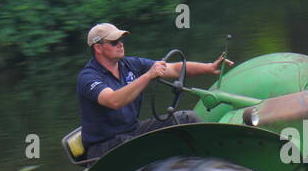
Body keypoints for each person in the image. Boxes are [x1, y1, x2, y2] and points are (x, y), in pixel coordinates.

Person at [76, 23, 232, 160]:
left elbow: (173, 68)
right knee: (139, 147)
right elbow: (113, 100)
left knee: (187, 118)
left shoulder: (130, 64)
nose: (121, 45)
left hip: (132, 131)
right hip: (103, 147)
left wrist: (209, 67)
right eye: (114, 42)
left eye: (121, 40)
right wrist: (148, 76)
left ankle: (207, 162)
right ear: (98, 47)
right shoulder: (88, 77)